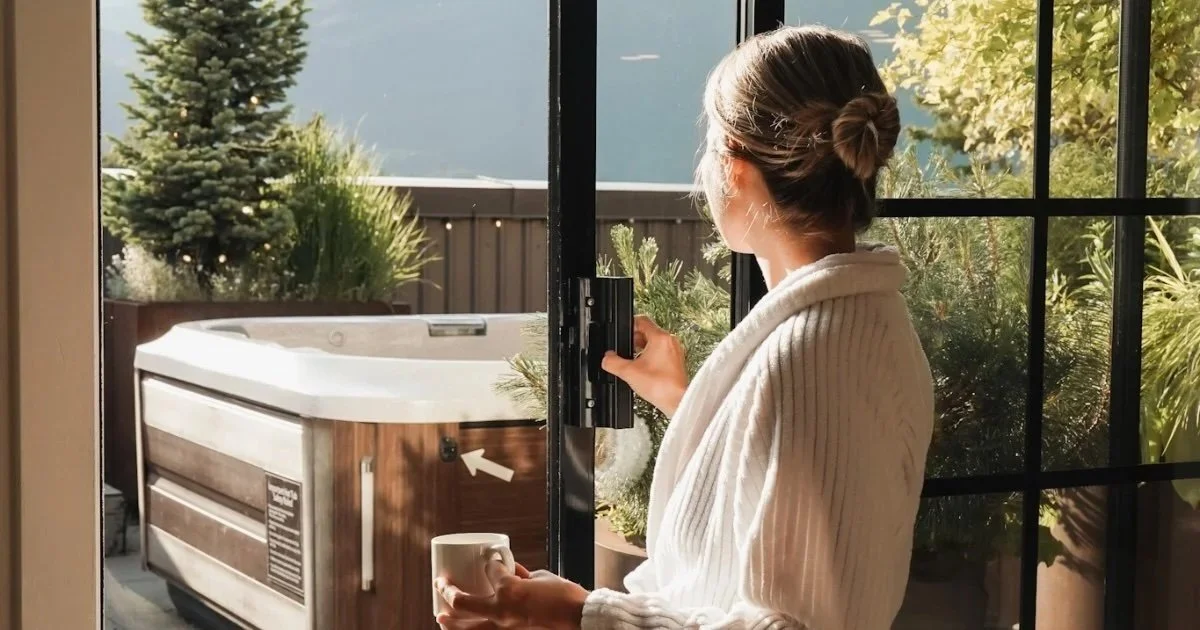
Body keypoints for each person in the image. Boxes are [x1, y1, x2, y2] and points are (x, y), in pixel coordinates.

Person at [435, 24, 935, 630]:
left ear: (738, 167)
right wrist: (690, 401)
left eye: (711, 144)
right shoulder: (852, 325)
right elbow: (783, 503)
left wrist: (581, 614)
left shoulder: (814, 353)